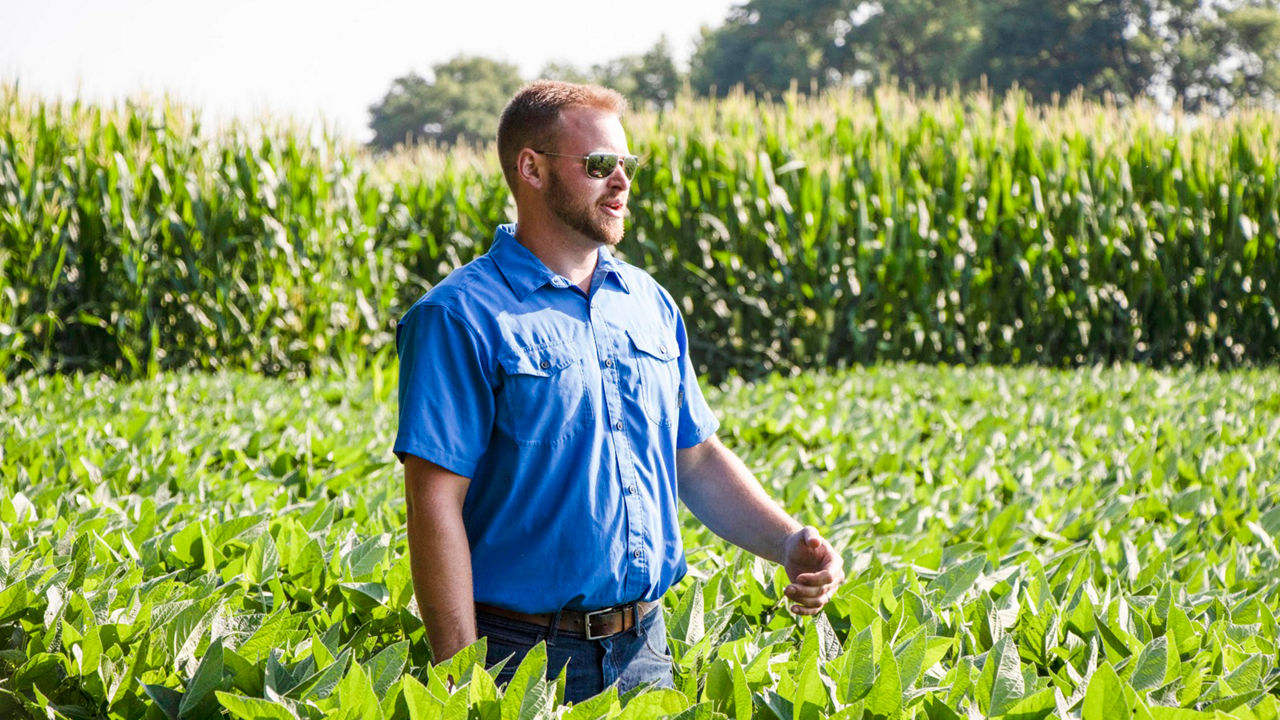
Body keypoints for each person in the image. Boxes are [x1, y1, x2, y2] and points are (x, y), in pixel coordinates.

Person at [394, 80, 843, 702]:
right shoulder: (458, 316)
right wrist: (460, 681)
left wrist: (787, 541)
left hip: (646, 651)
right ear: (531, 169)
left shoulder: (647, 302)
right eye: (599, 164)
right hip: (520, 660)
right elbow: (433, 505)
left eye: (627, 164)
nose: (622, 181)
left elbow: (695, 458)